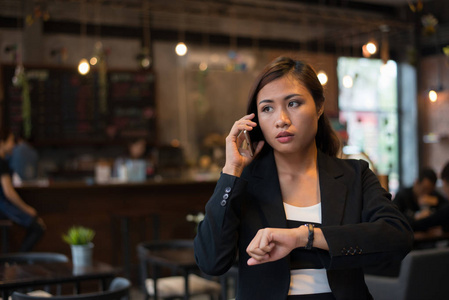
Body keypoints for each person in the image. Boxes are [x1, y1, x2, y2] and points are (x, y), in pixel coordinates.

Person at [194, 57, 413, 300]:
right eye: (267, 108)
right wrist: (231, 171)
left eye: (294, 103)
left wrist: (305, 237)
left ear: (319, 106)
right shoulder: (243, 182)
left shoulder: (355, 174)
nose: (281, 120)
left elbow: (398, 237)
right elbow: (210, 261)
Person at [0, 128, 45, 251]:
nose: (13, 145)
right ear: (2, 143)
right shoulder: (2, 163)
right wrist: (27, 209)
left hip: (4, 207)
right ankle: (18, 262)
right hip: (4, 207)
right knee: (38, 228)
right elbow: (8, 192)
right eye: (11, 141)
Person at [412, 162, 449, 232]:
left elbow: (430, 221)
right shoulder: (403, 195)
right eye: (424, 189)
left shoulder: (437, 198)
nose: (427, 193)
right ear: (416, 183)